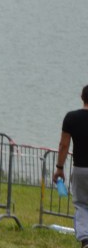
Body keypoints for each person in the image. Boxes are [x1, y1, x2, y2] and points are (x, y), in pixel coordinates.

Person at [54, 84, 88, 247]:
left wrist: (59, 168)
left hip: (80, 168)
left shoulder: (71, 118)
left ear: (82, 97)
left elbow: (64, 145)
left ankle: (85, 239)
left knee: (81, 205)